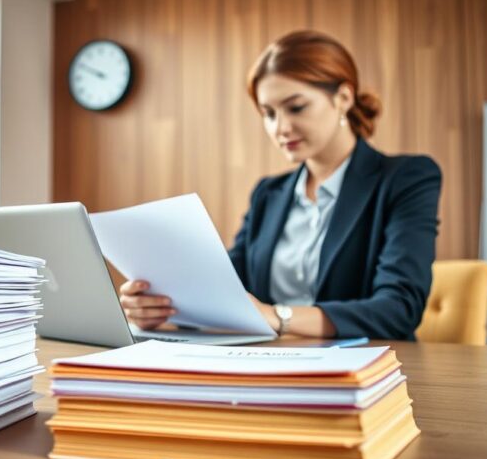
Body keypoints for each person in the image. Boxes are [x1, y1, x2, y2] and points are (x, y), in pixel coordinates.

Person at [119, 30, 441, 340]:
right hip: (274, 364)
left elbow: (399, 308)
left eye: (296, 107)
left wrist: (278, 317)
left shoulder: (406, 178)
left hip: (370, 370)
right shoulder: (268, 194)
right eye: (268, 113)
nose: (281, 127)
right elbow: (228, 287)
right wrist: (162, 307)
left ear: (343, 98)